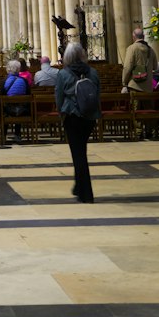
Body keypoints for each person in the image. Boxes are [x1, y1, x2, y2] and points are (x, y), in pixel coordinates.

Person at [55, 41, 101, 203]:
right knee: (80, 151)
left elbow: (59, 98)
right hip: (89, 117)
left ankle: (86, 193)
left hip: (72, 117)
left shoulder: (63, 74)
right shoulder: (93, 72)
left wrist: (61, 113)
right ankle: (78, 186)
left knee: (79, 154)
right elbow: (97, 94)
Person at [1, 57, 30, 141]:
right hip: (22, 110)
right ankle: (17, 134)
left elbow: (1, 95)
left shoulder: (5, 81)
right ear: (18, 69)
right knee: (19, 104)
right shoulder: (24, 81)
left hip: (9, 110)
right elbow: (28, 94)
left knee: (5, 107)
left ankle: (4, 134)